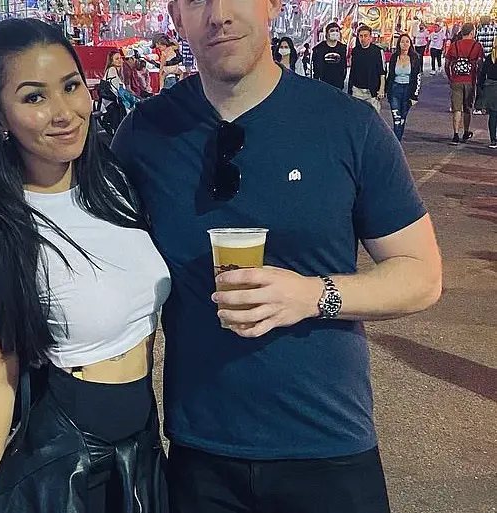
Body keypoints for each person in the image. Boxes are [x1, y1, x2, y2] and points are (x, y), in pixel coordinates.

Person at [111, 0, 442, 512]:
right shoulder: (144, 136)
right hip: (199, 455)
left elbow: (421, 275)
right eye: (196, 0)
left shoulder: (348, 125)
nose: (218, 14)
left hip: (327, 446)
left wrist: (311, 295)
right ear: (176, 17)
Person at [0, 18, 170, 513]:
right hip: (67, 456)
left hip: (143, 441)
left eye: (71, 86)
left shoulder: (115, 188)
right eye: (34, 97)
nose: (64, 112)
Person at [445, 23, 484, 145]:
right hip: (470, 80)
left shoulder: (454, 45)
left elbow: (447, 64)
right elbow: (480, 64)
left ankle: (455, 134)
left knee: (457, 108)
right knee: (467, 108)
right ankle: (466, 132)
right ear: (472, 32)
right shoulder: (477, 46)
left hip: (456, 80)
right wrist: (477, 77)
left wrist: (450, 77)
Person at [386, 34, 421, 141]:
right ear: (399, 44)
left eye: (407, 42)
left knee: (402, 118)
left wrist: (415, 96)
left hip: (408, 90)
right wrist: (386, 90)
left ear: (410, 44)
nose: (404, 44)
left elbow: (417, 77)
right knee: (396, 118)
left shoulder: (415, 58)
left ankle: (397, 140)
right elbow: (390, 75)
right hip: (395, 89)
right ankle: (396, 143)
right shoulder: (394, 57)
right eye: (402, 42)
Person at [348, 25, 386, 113]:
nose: (363, 38)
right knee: (357, 115)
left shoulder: (378, 51)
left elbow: (382, 72)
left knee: (373, 116)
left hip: (372, 90)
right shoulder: (355, 51)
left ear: (370, 37)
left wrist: (382, 88)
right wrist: (350, 88)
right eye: (361, 36)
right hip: (357, 90)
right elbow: (352, 71)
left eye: (365, 36)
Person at [475, 36, 497, 148]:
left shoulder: (490, 57)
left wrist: (481, 87)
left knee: (493, 114)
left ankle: (493, 140)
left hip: (491, 88)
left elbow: (482, 74)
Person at [312, 22, 347, 89]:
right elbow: (316, 69)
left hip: (338, 85)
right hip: (323, 85)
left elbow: (344, 66)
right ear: (327, 34)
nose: (335, 32)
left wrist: (342, 80)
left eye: (337, 30)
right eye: (332, 30)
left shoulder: (342, 48)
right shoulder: (318, 49)